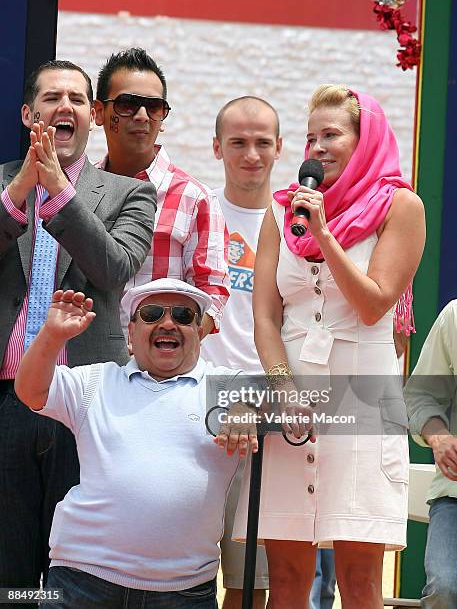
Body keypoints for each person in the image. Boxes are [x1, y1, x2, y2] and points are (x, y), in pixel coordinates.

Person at [232, 84, 426, 608]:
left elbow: (374, 304)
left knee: (360, 579)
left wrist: (324, 234)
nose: (317, 148)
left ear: (364, 140)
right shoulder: (281, 211)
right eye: (310, 137)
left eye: (332, 135)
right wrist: (283, 387)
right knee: (288, 575)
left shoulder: (401, 207)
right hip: (291, 392)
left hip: (363, 396)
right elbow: (266, 316)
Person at [0, 60, 155, 598]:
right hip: (6, 399)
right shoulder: (1, 186)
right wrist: (23, 186)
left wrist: (59, 192)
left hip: (85, 399)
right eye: (50, 98)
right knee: (10, 566)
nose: (63, 106)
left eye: (76, 98)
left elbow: (115, 268)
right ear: (28, 114)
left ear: (91, 115)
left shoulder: (129, 193)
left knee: (76, 565)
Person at [14, 279, 257, 609]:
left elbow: (315, 402)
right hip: (81, 581)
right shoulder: (96, 380)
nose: (168, 323)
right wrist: (52, 336)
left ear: (200, 331)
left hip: (184, 592)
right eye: (152, 313)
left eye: (184, 315)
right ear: (131, 330)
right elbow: (29, 391)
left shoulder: (226, 386)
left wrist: (251, 407)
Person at [201, 95, 283, 608]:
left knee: (251, 578)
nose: (250, 154)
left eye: (262, 142)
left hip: (270, 409)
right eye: (238, 142)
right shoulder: (199, 210)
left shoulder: (299, 229)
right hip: (201, 400)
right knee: (177, 563)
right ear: (217, 147)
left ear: (280, 148)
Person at [94, 47, 230, 337]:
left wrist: (165, 350)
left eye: (154, 107)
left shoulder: (196, 198)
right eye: (128, 104)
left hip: (159, 375)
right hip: (84, 368)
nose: (142, 116)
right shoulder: (76, 190)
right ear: (98, 113)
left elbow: (212, 294)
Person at [405, 301, 457, 609]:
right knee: (444, 588)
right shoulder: (454, 315)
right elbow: (420, 395)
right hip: (453, 493)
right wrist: (438, 437)